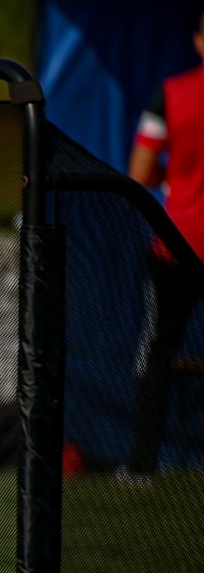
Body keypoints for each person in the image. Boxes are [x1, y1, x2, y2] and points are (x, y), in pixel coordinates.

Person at [126, 20, 204, 477]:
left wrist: (171, 179)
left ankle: (141, 466)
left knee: (157, 352)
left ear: (197, 41)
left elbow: (139, 174)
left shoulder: (169, 96)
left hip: (177, 244)